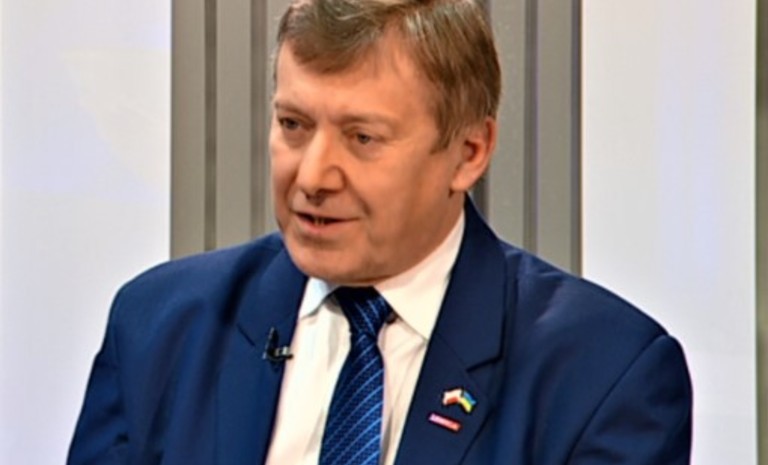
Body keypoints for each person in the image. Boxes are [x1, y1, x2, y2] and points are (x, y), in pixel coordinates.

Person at [68, 0, 692, 464]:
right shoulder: (159, 328)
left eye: (362, 138)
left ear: (469, 152)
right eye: (293, 125)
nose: (313, 176)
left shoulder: (606, 374)